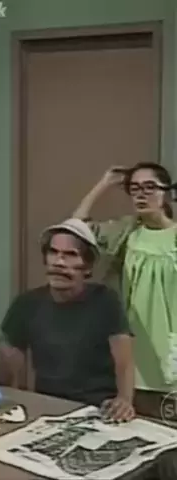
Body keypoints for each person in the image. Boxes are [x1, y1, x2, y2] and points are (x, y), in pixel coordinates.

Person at [0, 218, 135, 422]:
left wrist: (124, 400)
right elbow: (6, 378)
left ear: (87, 267)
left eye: (70, 255)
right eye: (53, 253)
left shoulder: (105, 300)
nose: (59, 262)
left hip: (98, 408)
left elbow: (124, 362)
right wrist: (4, 360)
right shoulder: (27, 304)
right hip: (48, 408)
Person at [73, 163, 177, 418]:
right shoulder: (126, 232)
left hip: (171, 350)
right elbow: (76, 229)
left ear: (166, 193)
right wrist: (104, 184)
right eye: (135, 188)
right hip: (134, 351)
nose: (141, 194)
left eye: (149, 187)